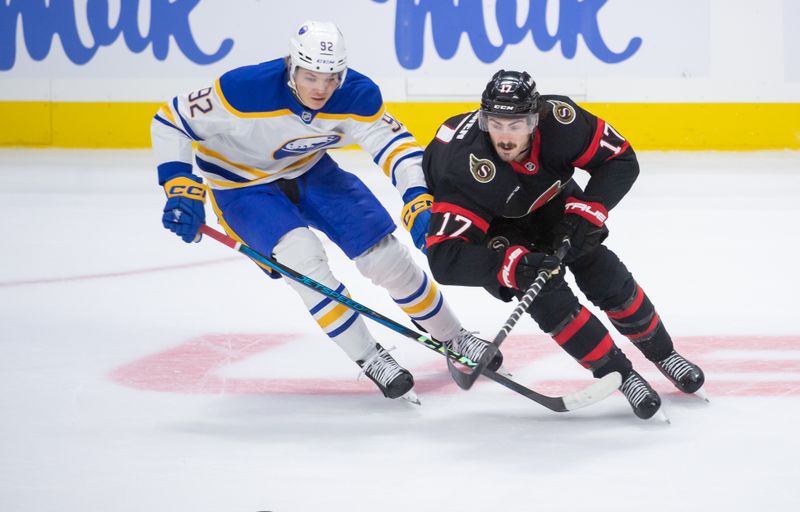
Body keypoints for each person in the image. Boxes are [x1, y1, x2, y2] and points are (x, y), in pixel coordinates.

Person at [150, 21, 502, 403]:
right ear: (291, 66)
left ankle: (454, 337)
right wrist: (179, 184)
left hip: (311, 170)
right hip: (241, 187)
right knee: (303, 258)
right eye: (310, 76)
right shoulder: (242, 89)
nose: (321, 88)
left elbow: (396, 145)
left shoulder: (356, 94)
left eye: (331, 77)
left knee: (386, 257)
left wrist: (418, 197)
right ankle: (371, 357)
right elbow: (171, 119)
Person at [421, 69, 706, 419]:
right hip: (494, 222)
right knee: (545, 294)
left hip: (549, 199)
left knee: (598, 265)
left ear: (535, 119)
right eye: (496, 124)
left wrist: (587, 212)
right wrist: (510, 266)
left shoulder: (561, 121)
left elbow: (620, 159)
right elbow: (444, 258)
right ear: (483, 121)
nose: (505, 138)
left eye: (516, 125)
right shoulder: (462, 166)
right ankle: (620, 374)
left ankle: (663, 353)